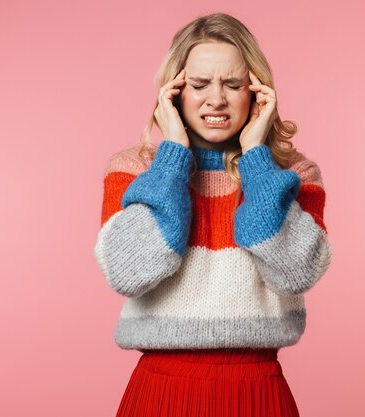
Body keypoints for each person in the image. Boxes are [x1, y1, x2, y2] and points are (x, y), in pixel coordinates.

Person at [94, 12, 332, 417]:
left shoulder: (293, 174)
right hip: (161, 393)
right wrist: (171, 159)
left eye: (233, 84)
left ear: (257, 92)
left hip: (256, 391)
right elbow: (127, 272)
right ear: (173, 93)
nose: (216, 99)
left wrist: (257, 160)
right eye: (200, 84)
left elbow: (296, 273)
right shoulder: (135, 169)